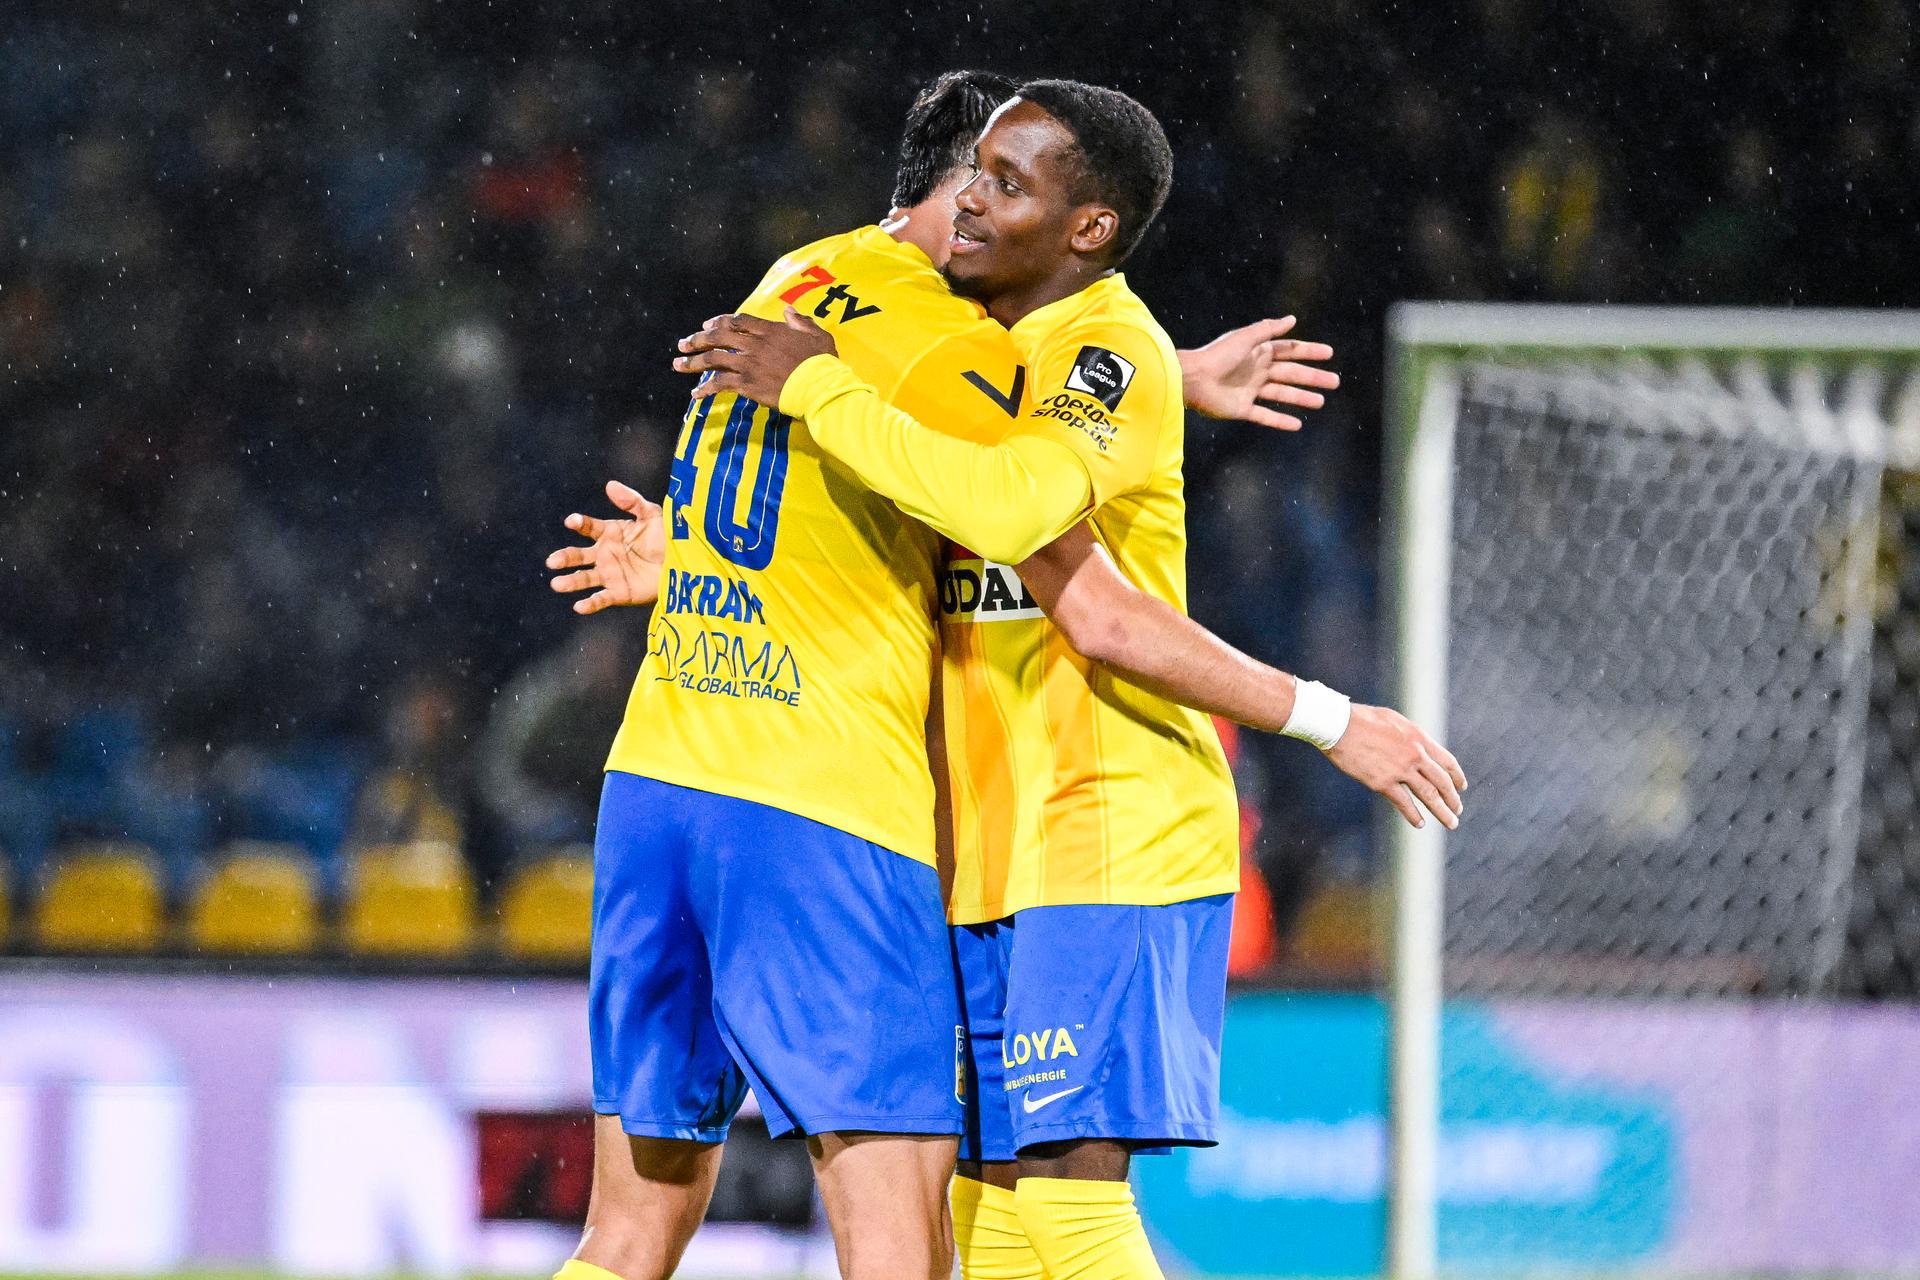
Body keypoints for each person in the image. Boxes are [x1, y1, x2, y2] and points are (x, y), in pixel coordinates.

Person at [543, 70, 1350, 1280]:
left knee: (628, 1232)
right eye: (987, 176)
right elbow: (1020, 477)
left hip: (657, 783)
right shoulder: (944, 338)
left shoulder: (793, 279)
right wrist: (1159, 376)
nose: (985, 207)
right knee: (905, 1241)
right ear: (956, 179)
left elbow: (954, 427)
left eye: (1009, 183)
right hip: (819, 806)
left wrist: (1164, 373)